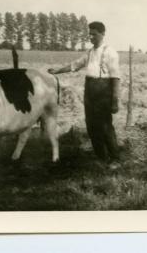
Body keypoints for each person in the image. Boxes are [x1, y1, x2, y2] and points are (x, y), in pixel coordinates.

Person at [48, 21, 121, 164]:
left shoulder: (110, 52)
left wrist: (115, 100)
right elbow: (75, 65)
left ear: (102, 34)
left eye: (94, 34)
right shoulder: (89, 53)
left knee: (105, 126)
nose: (91, 37)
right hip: (90, 92)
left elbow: (116, 77)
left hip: (103, 92)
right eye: (90, 34)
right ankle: (101, 157)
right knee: (91, 126)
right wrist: (57, 71)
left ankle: (115, 159)